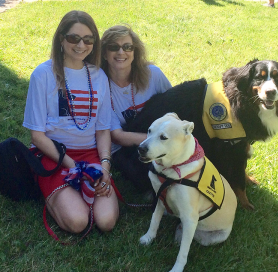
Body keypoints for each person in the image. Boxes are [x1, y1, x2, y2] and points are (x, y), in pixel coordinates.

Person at [23, 11, 119, 234]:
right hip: (53, 155)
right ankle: (52, 191)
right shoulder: (43, 74)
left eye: (88, 39)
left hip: (90, 153)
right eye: (74, 38)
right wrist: (73, 167)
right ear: (61, 39)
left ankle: (73, 193)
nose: (81, 45)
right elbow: (37, 136)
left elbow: (103, 129)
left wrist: (104, 166)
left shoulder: (98, 76)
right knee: (77, 222)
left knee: (106, 221)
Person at [100, 25, 172, 194]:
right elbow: (117, 136)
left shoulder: (153, 74)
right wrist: (160, 142)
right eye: (113, 47)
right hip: (124, 148)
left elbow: (174, 106)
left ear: (135, 51)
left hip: (158, 137)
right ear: (104, 53)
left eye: (127, 47)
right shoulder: (100, 85)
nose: (121, 52)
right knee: (144, 178)